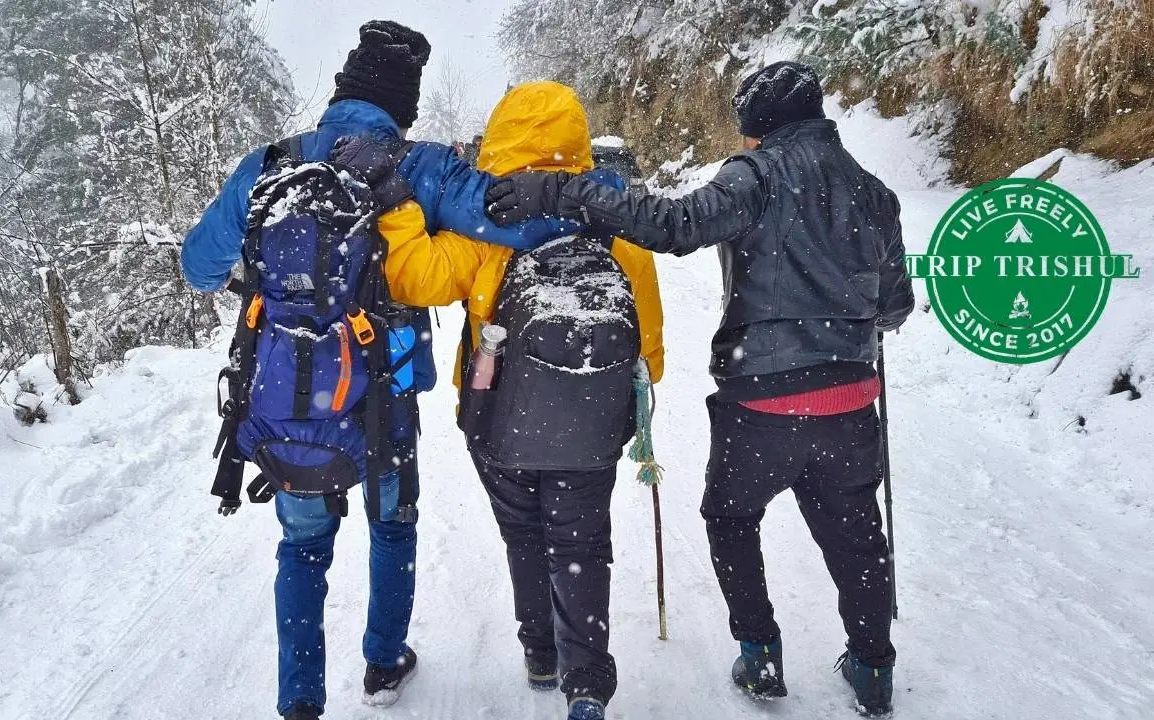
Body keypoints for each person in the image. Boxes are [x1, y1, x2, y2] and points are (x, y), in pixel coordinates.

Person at [485, 62, 914, 717]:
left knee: (732, 518)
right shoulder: (875, 193)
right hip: (851, 399)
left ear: (758, 129)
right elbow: (894, 306)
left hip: (761, 399)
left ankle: (760, 652)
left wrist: (566, 194)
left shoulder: (755, 176)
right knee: (858, 534)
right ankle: (873, 667)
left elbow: (673, 226)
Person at [181, 21, 583, 720]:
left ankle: (300, 698)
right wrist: (590, 198)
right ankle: (383, 662)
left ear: (341, 88)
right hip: (379, 401)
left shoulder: (270, 164)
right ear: (405, 104)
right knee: (393, 526)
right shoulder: (418, 167)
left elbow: (198, 265)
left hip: (285, 404)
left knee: (302, 545)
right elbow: (514, 224)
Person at [333, 81, 664, 720]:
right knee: (580, 542)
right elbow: (646, 337)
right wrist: (631, 394)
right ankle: (587, 683)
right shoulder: (612, 220)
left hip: (499, 416)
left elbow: (414, 275)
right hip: (591, 423)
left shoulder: (491, 222)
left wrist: (397, 203)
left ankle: (540, 651)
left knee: (523, 534)